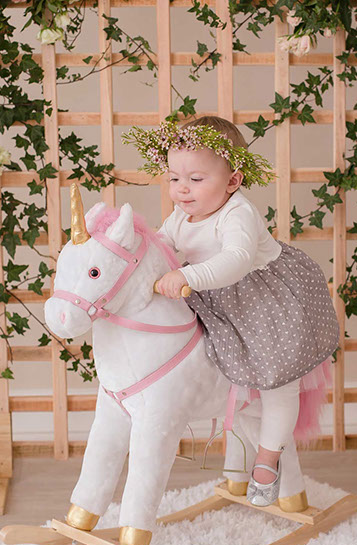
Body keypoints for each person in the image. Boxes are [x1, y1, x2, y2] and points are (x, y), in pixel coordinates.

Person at [121, 116, 340, 507]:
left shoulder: (237, 213)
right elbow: (162, 244)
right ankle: (239, 461)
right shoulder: (181, 216)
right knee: (233, 384)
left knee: (277, 383)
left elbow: (236, 259)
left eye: (196, 179)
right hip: (223, 305)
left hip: (267, 303)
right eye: (174, 178)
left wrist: (186, 274)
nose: (182, 189)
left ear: (233, 181)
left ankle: (268, 459)